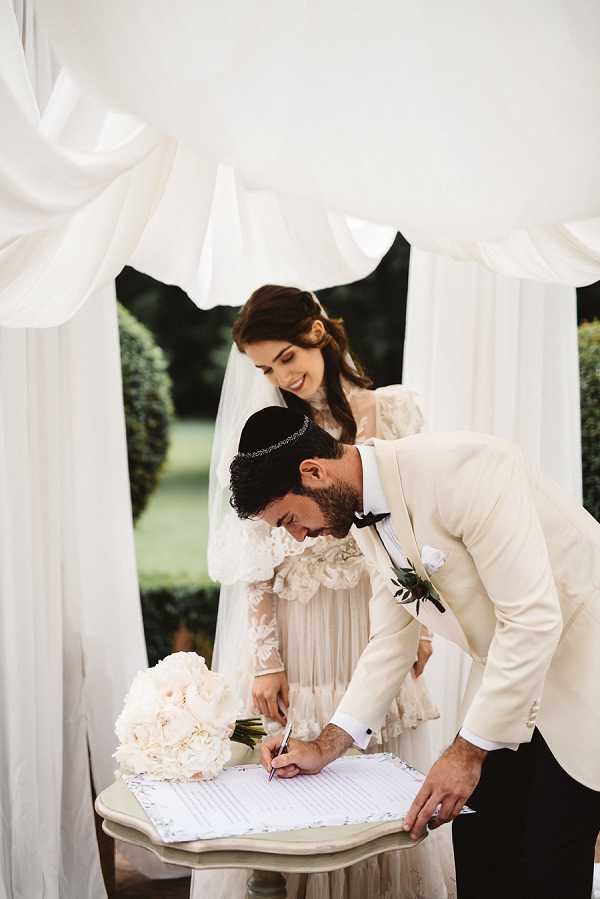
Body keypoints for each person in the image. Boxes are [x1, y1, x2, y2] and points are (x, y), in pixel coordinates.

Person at [229, 404, 600, 899]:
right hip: (507, 675)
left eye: (290, 519)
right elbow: (390, 638)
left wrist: (466, 752)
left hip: (586, 668)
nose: (297, 537)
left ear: (313, 472)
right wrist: (326, 746)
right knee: (481, 850)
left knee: (548, 865)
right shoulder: (363, 517)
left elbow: (533, 619)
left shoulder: (470, 468)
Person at [192, 286, 454, 899]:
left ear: (318, 332)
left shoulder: (393, 412)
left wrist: (417, 623)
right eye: (265, 368)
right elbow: (256, 547)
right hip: (299, 619)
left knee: (376, 762)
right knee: (300, 776)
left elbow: (416, 524)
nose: (283, 376)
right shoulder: (270, 429)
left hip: (372, 613)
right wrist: (266, 658)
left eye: (286, 356)